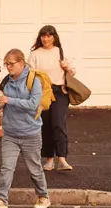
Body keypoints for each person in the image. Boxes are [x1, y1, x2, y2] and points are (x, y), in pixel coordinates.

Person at [0, 49, 50, 208]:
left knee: (35, 169)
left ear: (21, 63)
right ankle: (1, 199)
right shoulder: (7, 80)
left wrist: (9, 100)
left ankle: (43, 196)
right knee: (7, 167)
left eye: (11, 64)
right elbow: (1, 100)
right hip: (10, 133)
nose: (8, 67)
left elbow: (33, 104)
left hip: (30, 133)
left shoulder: (33, 80)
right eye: (6, 64)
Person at [29, 24, 76, 171]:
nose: (46, 39)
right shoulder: (35, 54)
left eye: (49, 35)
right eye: (43, 35)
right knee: (46, 125)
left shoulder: (60, 52)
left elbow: (73, 72)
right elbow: (30, 75)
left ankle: (62, 159)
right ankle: (49, 159)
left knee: (58, 123)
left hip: (59, 91)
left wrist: (66, 66)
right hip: (43, 92)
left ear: (54, 37)